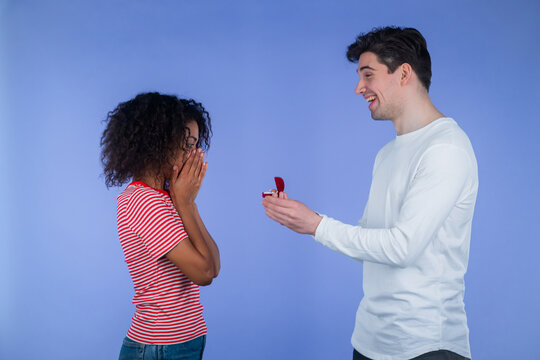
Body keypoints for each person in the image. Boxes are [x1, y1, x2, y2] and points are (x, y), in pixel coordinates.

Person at [262, 27, 477, 360]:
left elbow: (402, 248)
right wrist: (304, 219)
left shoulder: (445, 148)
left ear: (404, 73)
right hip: (369, 343)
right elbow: (371, 242)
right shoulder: (387, 154)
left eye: (368, 75)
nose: (359, 88)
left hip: (425, 347)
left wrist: (317, 224)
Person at [101, 92, 220, 360]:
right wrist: (186, 204)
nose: (195, 153)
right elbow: (205, 272)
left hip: (176, 345)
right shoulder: (144, 202)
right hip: (159, 348)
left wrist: (186, 202)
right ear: (156, 140)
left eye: (196, 143)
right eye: (187, 142)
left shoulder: (166, 198)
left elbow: (213, 264)